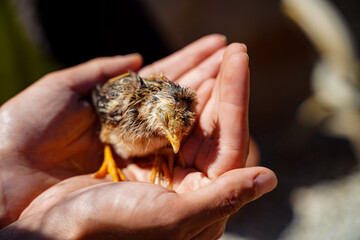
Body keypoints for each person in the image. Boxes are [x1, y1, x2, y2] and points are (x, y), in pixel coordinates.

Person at [0, 34, 277, 239]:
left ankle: (158, 156)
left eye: (178, 134)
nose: (175, 139)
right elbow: (103, 116)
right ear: (155, 113)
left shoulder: (181, 109)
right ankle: (110, 158)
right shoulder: (124, 105)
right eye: (171, 132)